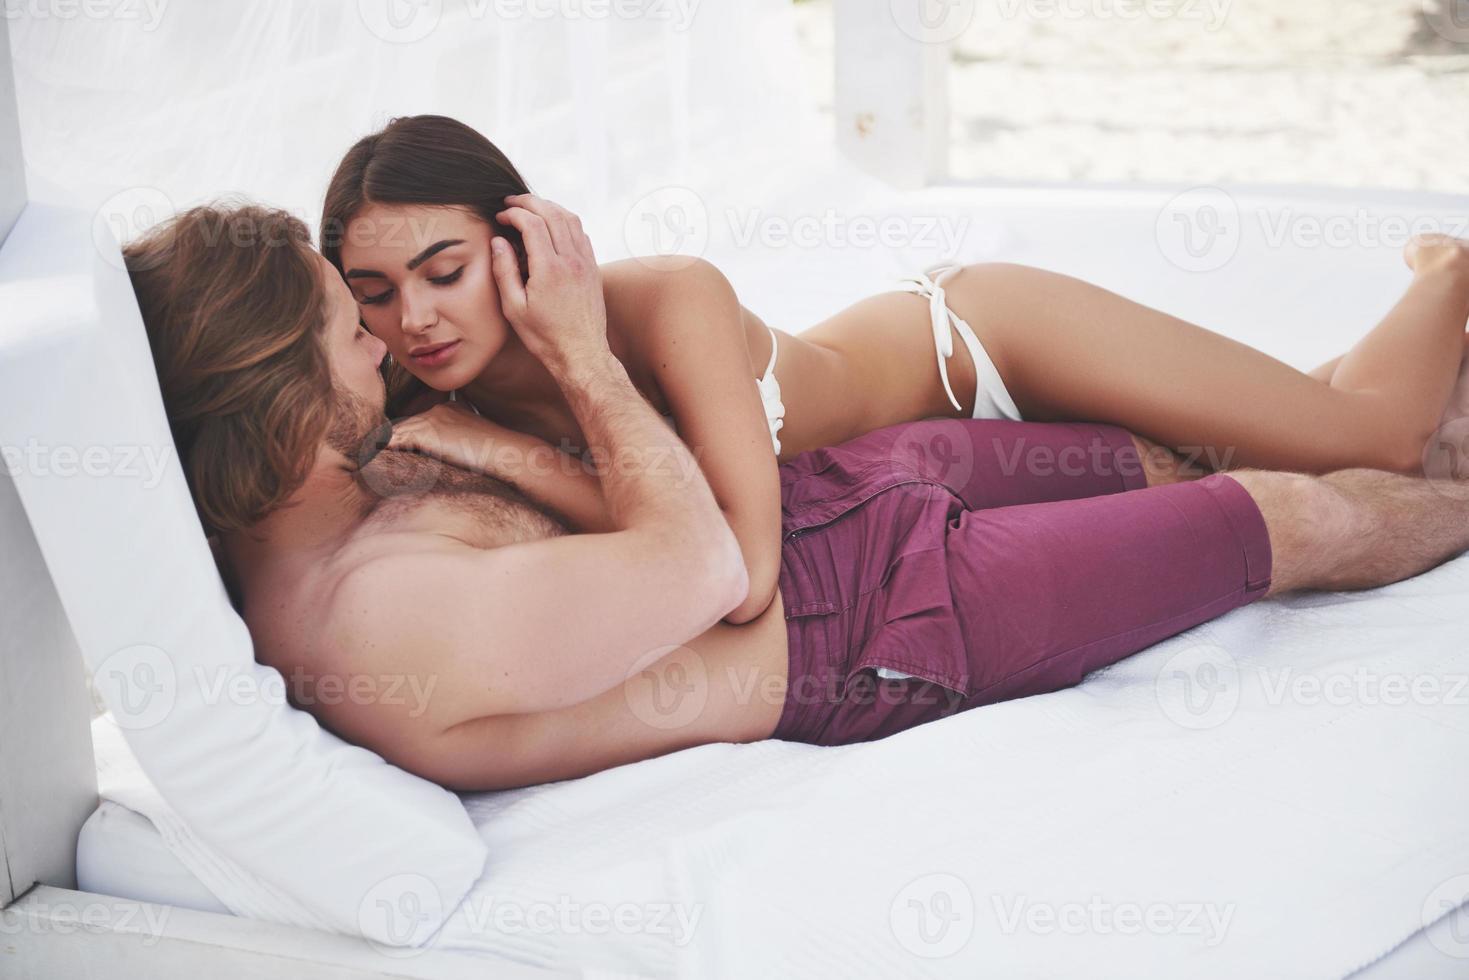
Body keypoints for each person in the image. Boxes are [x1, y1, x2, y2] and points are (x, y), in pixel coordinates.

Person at [126, 200, 1469, 794]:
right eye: (340, 328)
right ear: (279, 401)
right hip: (872, 624)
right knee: (1304, 521)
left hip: (839, 487)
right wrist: (585, 356)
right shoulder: (381, 625)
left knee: (1212, 453)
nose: (378, 336)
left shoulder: (340, 482)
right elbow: (712, 573)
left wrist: (490, 437)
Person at [321, 114, 1469, 629]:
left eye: (443, 269)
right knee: (1271, 428)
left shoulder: (665, 297)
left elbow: (739, 566)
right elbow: (652, 541)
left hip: (980, 342)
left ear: (519, 239)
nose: (413, 318)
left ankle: (1442, 267)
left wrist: (514, 445)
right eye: (373, 292)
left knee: (1368, 438)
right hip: (960, 444)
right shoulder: (425, 403)